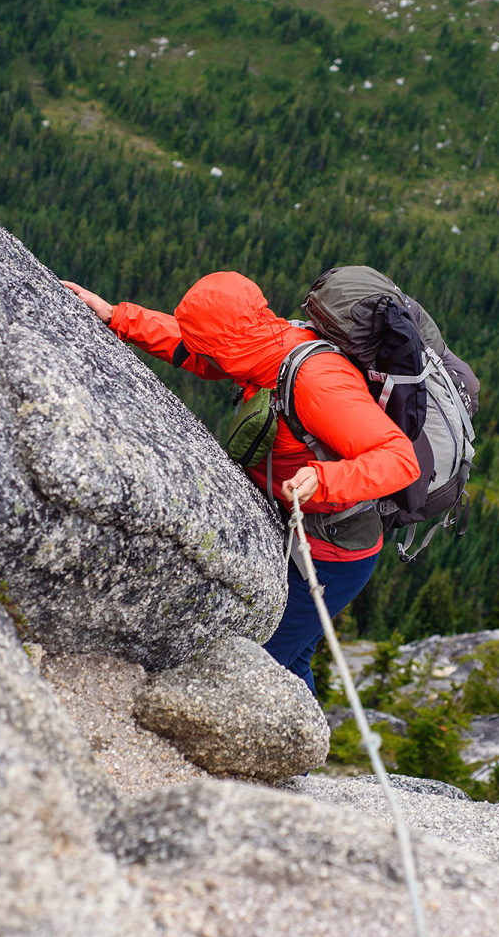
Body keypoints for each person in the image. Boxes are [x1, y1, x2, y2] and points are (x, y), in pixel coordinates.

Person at [63, 271, 420, 695]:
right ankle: (296, 761)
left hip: (330, 552)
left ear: (230, 343)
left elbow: (400, 460)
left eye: (210, 346)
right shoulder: (265, 341)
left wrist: (324, 477)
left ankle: (286, 758)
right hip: (295, 529)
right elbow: (191, 348)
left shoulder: (318, 381)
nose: (203, 355)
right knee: (294, 659)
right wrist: (117, 316)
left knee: (266, 666)